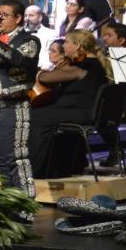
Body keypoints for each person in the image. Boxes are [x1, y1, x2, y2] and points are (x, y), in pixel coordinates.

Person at [29, 30, 113, 178]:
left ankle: (35, 170)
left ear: (77, 45)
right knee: (43, 112)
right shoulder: (93, 63)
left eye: (67, 42)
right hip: (83, 111)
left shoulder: (83, 66)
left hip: (80, 113)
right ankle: (66, 166)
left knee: (35, 115)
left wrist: (38, 73)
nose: (65, 45)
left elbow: (46, 78)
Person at [0, 0, 41, 202]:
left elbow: (20, 60)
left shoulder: (29, 40)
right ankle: (8, 201)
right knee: (2, 158)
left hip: (13, 104)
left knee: (17, 156)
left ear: (18, 18)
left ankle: (25, 203)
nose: (0, 19)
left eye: (5, 15)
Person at [23, 5, 57, 69]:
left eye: (31, 15)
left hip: (42, 69)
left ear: (40, 17)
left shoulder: (51, 34)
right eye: (25, 15)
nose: (27, 18)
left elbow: (51, 54)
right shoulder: (20, 32)